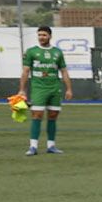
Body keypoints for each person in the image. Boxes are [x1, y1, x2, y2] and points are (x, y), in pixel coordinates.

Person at [19, 26, 72, 155]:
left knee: (53, 116)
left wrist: (69, 89)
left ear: (50, 36)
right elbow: (26, 71)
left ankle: (51, 145)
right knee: (37, 115)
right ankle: (33, 146)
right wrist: (22, 90)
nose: (41, 37)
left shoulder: (57, 52)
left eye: (44, 35)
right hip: (38, 88)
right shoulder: (31, 52)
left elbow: (63, 71)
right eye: (39, 35)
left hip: (54, 88)